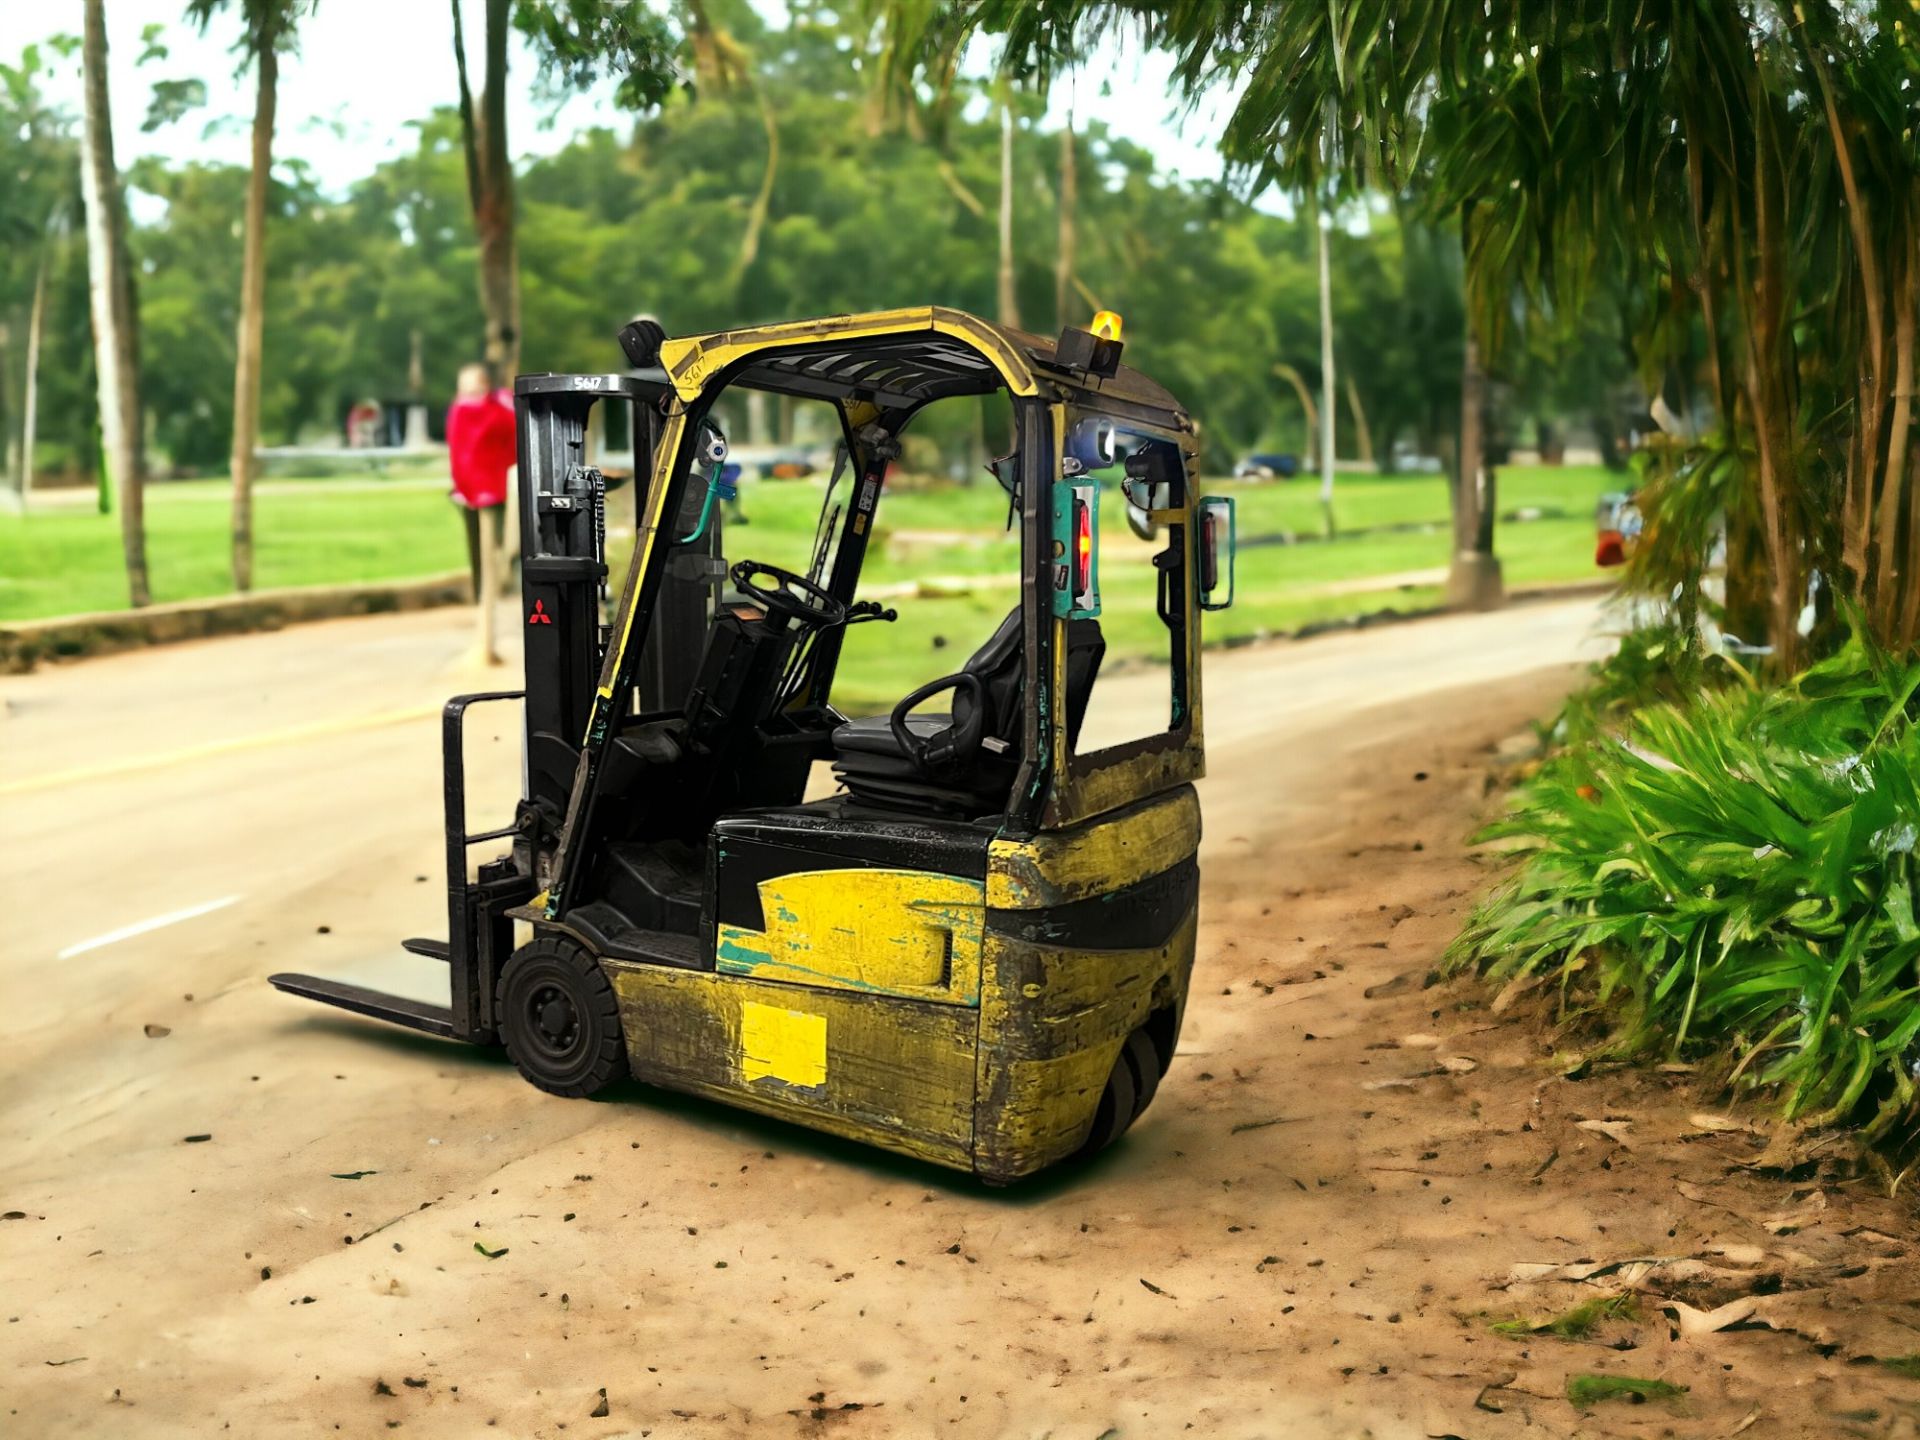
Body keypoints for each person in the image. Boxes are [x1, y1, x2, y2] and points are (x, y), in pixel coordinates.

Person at [446, 363, 516, 597]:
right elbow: (458, 452)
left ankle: (495, 593)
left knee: (500, 544)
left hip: (496, 490)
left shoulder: (499, 407)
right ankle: (485, 596)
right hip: (477, 491)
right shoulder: (469, 409)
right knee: (480, 547)